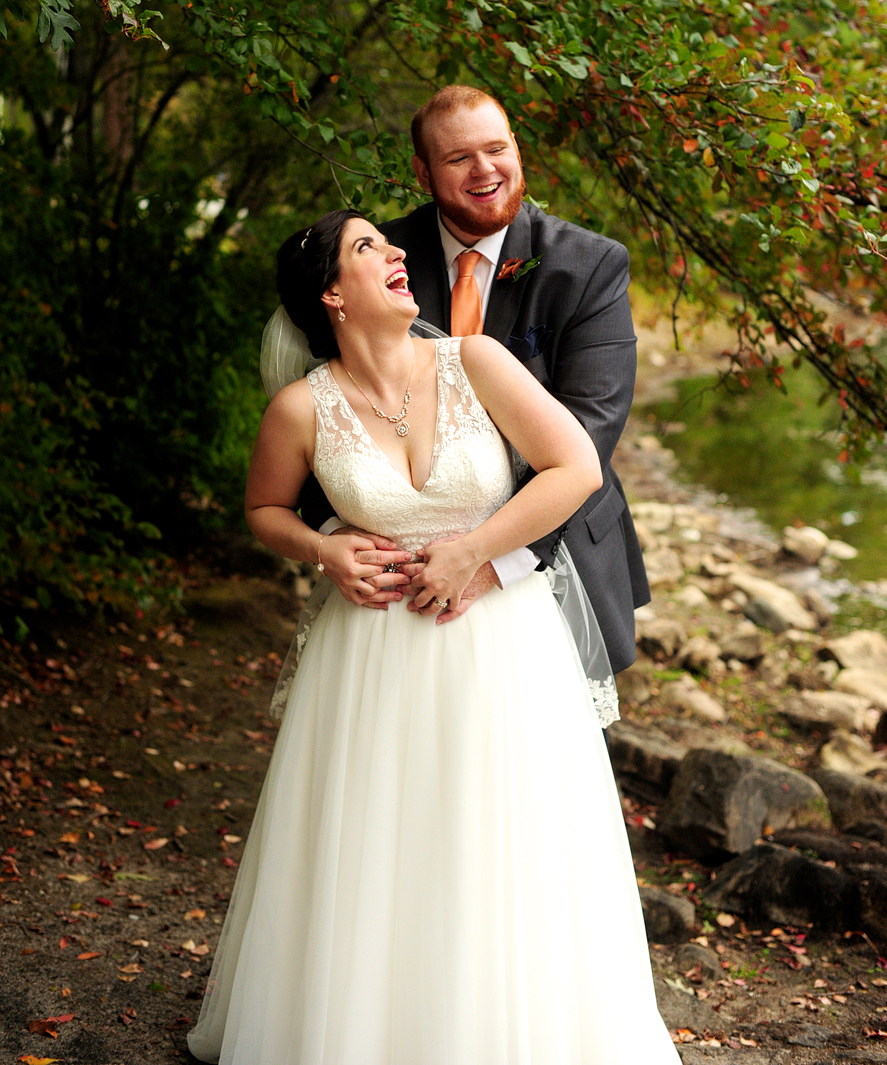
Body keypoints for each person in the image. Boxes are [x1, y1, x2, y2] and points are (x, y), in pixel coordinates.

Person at [187, 210, 677, 1064]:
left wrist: (479, 553)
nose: (399, 253)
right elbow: (264, 509)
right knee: (378, 845)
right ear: (332, 293)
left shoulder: (474, 358)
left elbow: (577, 466)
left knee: (499, 840)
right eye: (369, 246)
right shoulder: (301, 409)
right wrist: (322, 547)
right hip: (368, 657)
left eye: (391, 241)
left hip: (500, 648)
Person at [302, 85, 648, 674]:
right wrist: (336, 536)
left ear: (516, 147)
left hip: (554, 557)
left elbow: (588, 437)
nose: (485, 170)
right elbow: (328, 409)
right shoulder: (375, 261)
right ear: (423, 172)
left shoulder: (588, 266)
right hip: (401, 583)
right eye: (459, 158)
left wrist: (489, 560)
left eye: (497, 148)